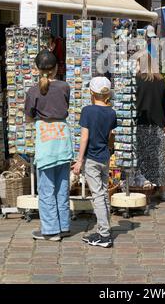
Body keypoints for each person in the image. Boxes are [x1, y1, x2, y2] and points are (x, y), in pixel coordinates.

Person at [25, 50, 73, 241]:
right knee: (62, 186)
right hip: (62, 138)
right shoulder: (65, 86)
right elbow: (65, 107)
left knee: (46, 188)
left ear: (37, 69)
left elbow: (29, 117)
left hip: (45, 140)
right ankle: (63, 226)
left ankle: (51, 230)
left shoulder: (33, 90)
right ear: (56, 69)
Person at [72, 77, 117, 248]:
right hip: (105, 156)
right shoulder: (111, 112)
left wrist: (79, 160)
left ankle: (104, 234)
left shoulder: (88, 111)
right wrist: (110, 151)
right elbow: (110, 136)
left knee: (97, 195)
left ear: (91, 92)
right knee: (103, 193)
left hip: (91, 158)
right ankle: (104, 228)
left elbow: (84, 138)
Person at [136, 54, 165, 201]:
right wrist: (163, 122)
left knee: (142, 157)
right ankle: (163, 190)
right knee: (158, 157)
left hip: (140, 122)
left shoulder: (137, 80)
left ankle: (144, 189)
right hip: (157, 123)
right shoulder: (161, 81)